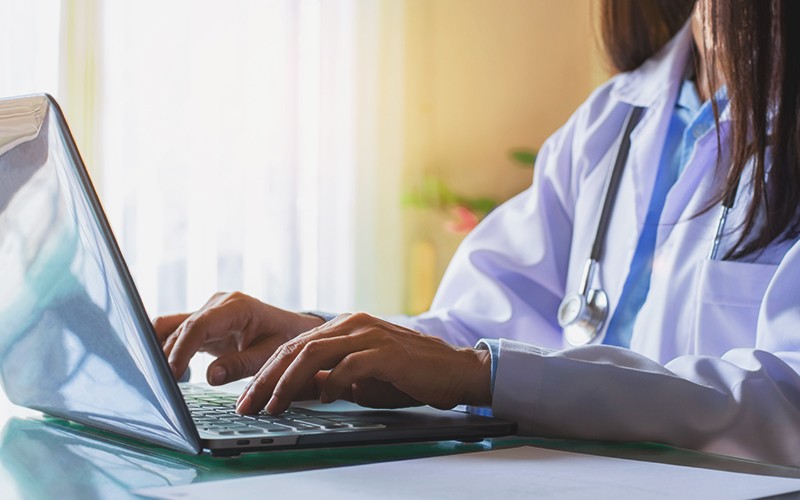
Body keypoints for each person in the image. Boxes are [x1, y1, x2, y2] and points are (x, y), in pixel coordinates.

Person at [154, 0, 800, 466]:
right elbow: (477, 330)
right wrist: (321, 341)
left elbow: (787, 401)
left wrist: (480, 371)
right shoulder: (612, 121)